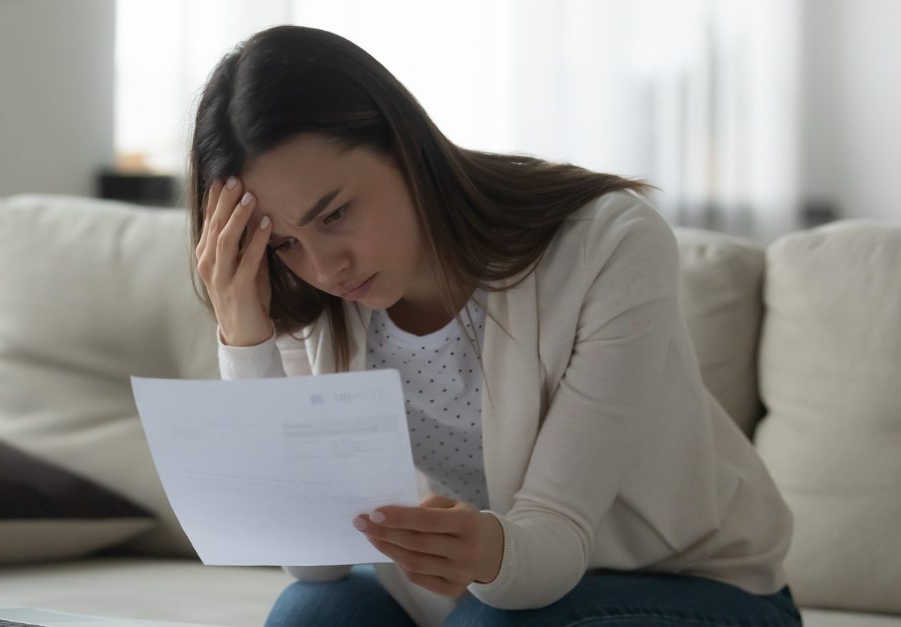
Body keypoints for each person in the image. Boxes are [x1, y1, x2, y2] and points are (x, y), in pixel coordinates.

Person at [189, 25, 800, 627]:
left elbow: (555, 534)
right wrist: (245, 338)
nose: (325, 267)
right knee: (313, 614)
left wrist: (480, 549)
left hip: (693, 586)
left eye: (337, 213)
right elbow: (314, 565)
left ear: (404, 146)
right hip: (485, 592)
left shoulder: (607, 246)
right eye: (286, 243)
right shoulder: (308, 298)